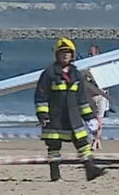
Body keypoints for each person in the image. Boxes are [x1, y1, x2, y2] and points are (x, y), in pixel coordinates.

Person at [34, 38, 105, 182]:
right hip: (54, 118)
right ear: (57, 55)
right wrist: (43, 115)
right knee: (54, 147)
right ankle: (55, 174)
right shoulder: (49, 73)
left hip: (73, 118)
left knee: (83, 144)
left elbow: (82, 100)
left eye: (68, 52)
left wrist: (90, 118)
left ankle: (90, 170)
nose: (65, 55)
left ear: (72, 55)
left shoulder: (77, 74)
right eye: (62, 52)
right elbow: (41, 96)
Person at [87, 44, 108, 150]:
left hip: (100, 96)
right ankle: (97, 139)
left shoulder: (102, 66)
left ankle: (95, 141)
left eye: (92, 54)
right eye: (89, 54)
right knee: (92, 121)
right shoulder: (86, 67)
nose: (90, 56)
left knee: (99, 120)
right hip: (90, 97)